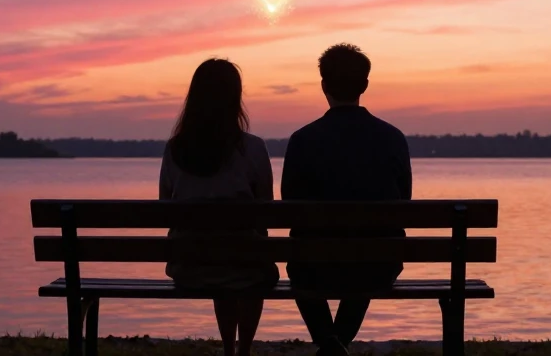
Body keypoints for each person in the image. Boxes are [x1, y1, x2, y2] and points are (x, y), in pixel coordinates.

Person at [281, 43, 412, 355]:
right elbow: (403, 205)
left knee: (300, 268)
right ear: (364, 86)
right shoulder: (392, 138)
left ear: (324, 85)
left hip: (314, 266)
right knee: (371, 252)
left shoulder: (303, 140)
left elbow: (290, 208)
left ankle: (329, 344)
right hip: (377, 265)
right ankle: (336, 345)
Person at [159, 58, 278, 356]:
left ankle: (228, 349)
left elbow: (164, 207)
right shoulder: (253, 148)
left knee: (220, 253)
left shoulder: (175, 149)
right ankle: (244, 350)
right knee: (247, 259)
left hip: (190, 268)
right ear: (235, 99)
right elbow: (267, 208)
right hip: (243, 266)